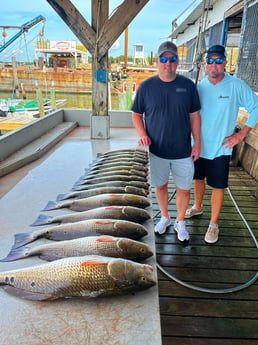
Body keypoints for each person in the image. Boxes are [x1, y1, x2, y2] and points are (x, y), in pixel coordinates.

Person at [185, 44, 258, 244]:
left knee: (218, 185)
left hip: (221, 148)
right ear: (205, 64)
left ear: (225, 63)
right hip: (198, 145)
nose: (214, 65)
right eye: (210, 61)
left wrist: (240, 135)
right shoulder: (199, 87)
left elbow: (256, 107)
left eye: (218, 60)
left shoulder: (236, 85)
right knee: (198, 179)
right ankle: (197, 207)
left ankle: (214, 223)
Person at [131, 41, 201, 242]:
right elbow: (136, 114)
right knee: (160, 186)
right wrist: (142, 133)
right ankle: (164, 217)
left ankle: (180, 221)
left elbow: (195, 116)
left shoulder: (188, 86)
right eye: (163, 59)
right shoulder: (146, 87)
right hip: (156, 151)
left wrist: (197, 143)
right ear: (157, 61)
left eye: (172, 59)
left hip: (182, 151)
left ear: (177, 61)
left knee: (184, 189)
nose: (167, 63)